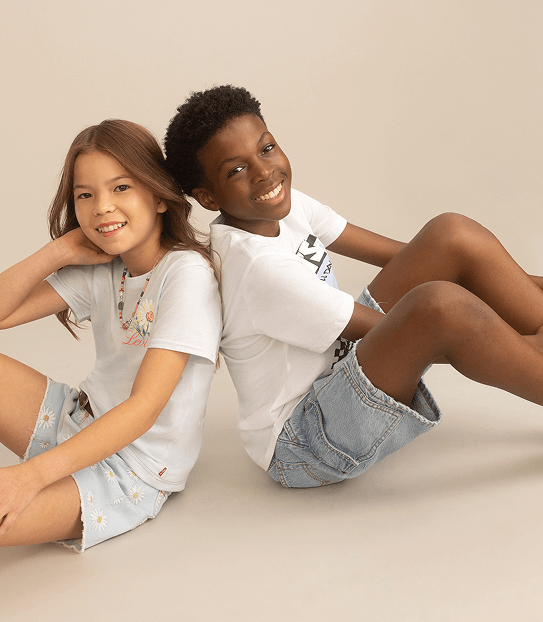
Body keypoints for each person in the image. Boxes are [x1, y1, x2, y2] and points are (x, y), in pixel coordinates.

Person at [164, 85, 543, 488]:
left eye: (267, 148)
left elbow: (411, 254)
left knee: (451, 234)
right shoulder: (257, 268)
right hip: (305, 439)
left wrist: (521, 287)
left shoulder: (281, 206)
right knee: (438, 306)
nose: (264, 172)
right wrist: (516, 345)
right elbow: (423, 328)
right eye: (236, 170)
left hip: (343, 363)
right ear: (208, 198)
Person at [0, 119, 221, 562]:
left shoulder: (186, 274)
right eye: (85, 195)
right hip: (77, 418)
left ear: (159, 195)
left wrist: (29, 477)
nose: (102, 207)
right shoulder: (107, 268)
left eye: (121, 188)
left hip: (131, 470)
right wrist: (60, 251)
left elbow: (144, 407)